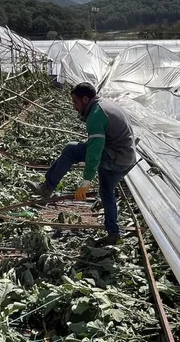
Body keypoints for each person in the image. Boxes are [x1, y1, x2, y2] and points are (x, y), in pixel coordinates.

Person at [30, 82, 137, 245]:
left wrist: (86, 182)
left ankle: (47, 188)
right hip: (126, 159)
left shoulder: (96, 115)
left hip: (114, 157)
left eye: (75, 102)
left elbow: (94, 152)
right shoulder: (104, 104)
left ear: (85, 99)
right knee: (106, 192)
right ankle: (113, 234)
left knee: (71, 150)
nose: (74, 107)